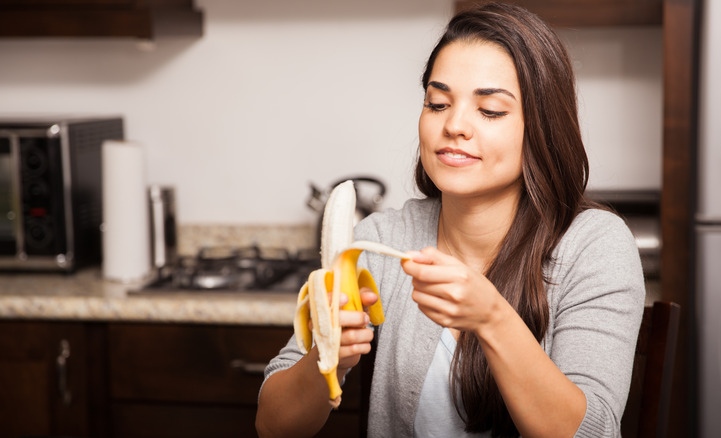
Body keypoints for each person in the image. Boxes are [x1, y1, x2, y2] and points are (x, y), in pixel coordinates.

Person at [255, 2, 645, 437]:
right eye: (438, 103)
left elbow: (595, 432)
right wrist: (328, 358)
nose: (454, 125)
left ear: (542, 127)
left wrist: (492, 319)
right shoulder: (381, 241)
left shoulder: (595, 247)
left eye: (490, 110)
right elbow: (273, 427)